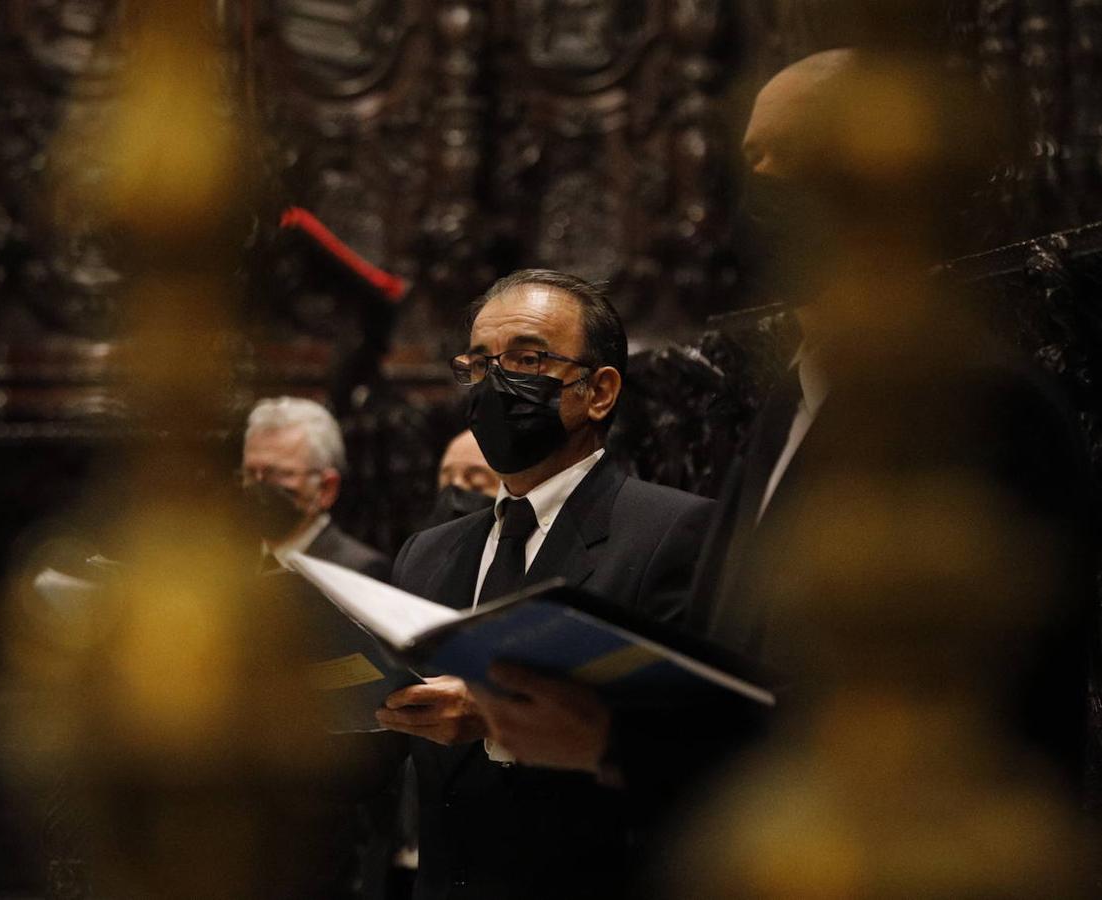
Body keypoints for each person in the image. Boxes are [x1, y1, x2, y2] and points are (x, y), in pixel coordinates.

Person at [467, 48, 1093, 875]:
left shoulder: (973, 403)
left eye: (787, 152)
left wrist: (620, 739)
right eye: (748, 155)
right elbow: (735, 659)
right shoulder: (785, 406)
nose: (752, 184)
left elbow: (949, 707)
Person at [375, 269, 715, 900]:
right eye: (478, 365)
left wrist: (500, 721)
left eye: (526, 359)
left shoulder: (672, 533)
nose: (494, 384)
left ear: (599, 391)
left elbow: (693, 751)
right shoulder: (428, 552)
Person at [242, 396, 391, 580]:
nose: (259, 484)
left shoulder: (357, 571)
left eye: (276, 473)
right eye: (250, 472)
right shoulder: (224, 563)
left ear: (326, 488)